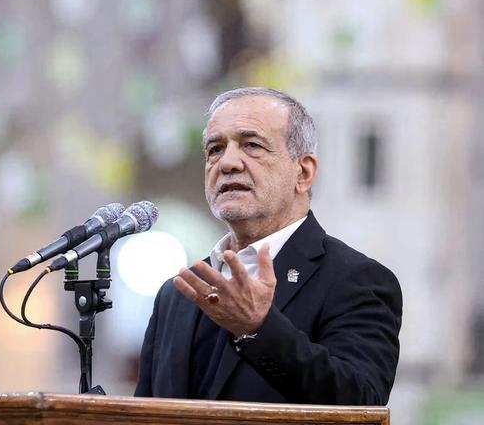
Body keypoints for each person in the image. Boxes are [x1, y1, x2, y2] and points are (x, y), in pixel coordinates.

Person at [134, 87, 402, 405]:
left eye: (252, 145)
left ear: (303, 172)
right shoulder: (176, 295)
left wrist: (258, 329)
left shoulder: (356, 280)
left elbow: (361, 402)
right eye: (215, 149)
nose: (228, 162)